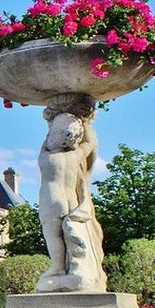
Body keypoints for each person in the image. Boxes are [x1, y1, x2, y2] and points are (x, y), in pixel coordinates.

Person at [37, 103, 106, 293]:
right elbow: (90, 145)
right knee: (70, 234)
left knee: (53, 236)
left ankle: (58, 267)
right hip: (71, 200)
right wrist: (85, 123)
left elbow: (47, 140)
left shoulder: (46, 157)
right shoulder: (75, 155)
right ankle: (75, 267)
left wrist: (52, 123)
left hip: (51, 200)